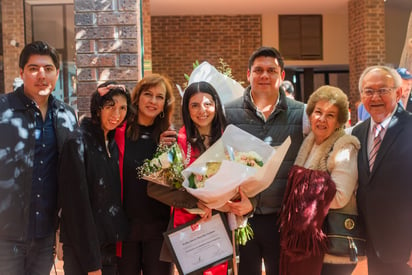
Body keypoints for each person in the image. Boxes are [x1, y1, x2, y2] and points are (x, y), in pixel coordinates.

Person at [224, 46, 309, 275]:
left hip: (283, 220)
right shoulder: (228, 113)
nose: (264, 75)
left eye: (271, 70)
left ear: (281, 76)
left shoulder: (301, 113)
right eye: (258, 70)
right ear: (248, 74)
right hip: (242, 219)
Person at [0, 40, 77, 274]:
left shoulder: (66, 115)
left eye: (48, 68)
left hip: (44, 234)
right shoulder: (3, 110)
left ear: (57, 73)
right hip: (5, 234)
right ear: (22, 72)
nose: (41, 75)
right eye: (33, 68)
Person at [278, 85, 360, 275]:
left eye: (330, 115)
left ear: (339, 121)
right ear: (310, 115)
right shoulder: (309, 142)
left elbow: (340, 196)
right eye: (318, 112)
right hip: (307, 244)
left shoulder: (345, 146)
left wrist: (301, 192)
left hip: (331, 246)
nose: (322, 119)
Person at [58, 82, 131, 274]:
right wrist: (92, 265)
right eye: (110, 106)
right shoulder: (77, 142)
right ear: (97, 109)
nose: (117, 113)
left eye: (122, 108)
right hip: (83, 250)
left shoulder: (112, 144)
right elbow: (77, 209)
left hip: (107, 246)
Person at [351, 65, 412, 275]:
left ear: (398, 93)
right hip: (373, 245)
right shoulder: (358, 132)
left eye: (382, 90)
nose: (375, 97)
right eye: (369, 91)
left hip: (405, 247)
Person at [115, 74, 175, 275]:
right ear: (137, 97)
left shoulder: (169, 137)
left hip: (158, 230)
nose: (153, 101)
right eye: (148, 94)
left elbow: (174, 184)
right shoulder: (119, 132)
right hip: (125, 229)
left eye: (159, 97)